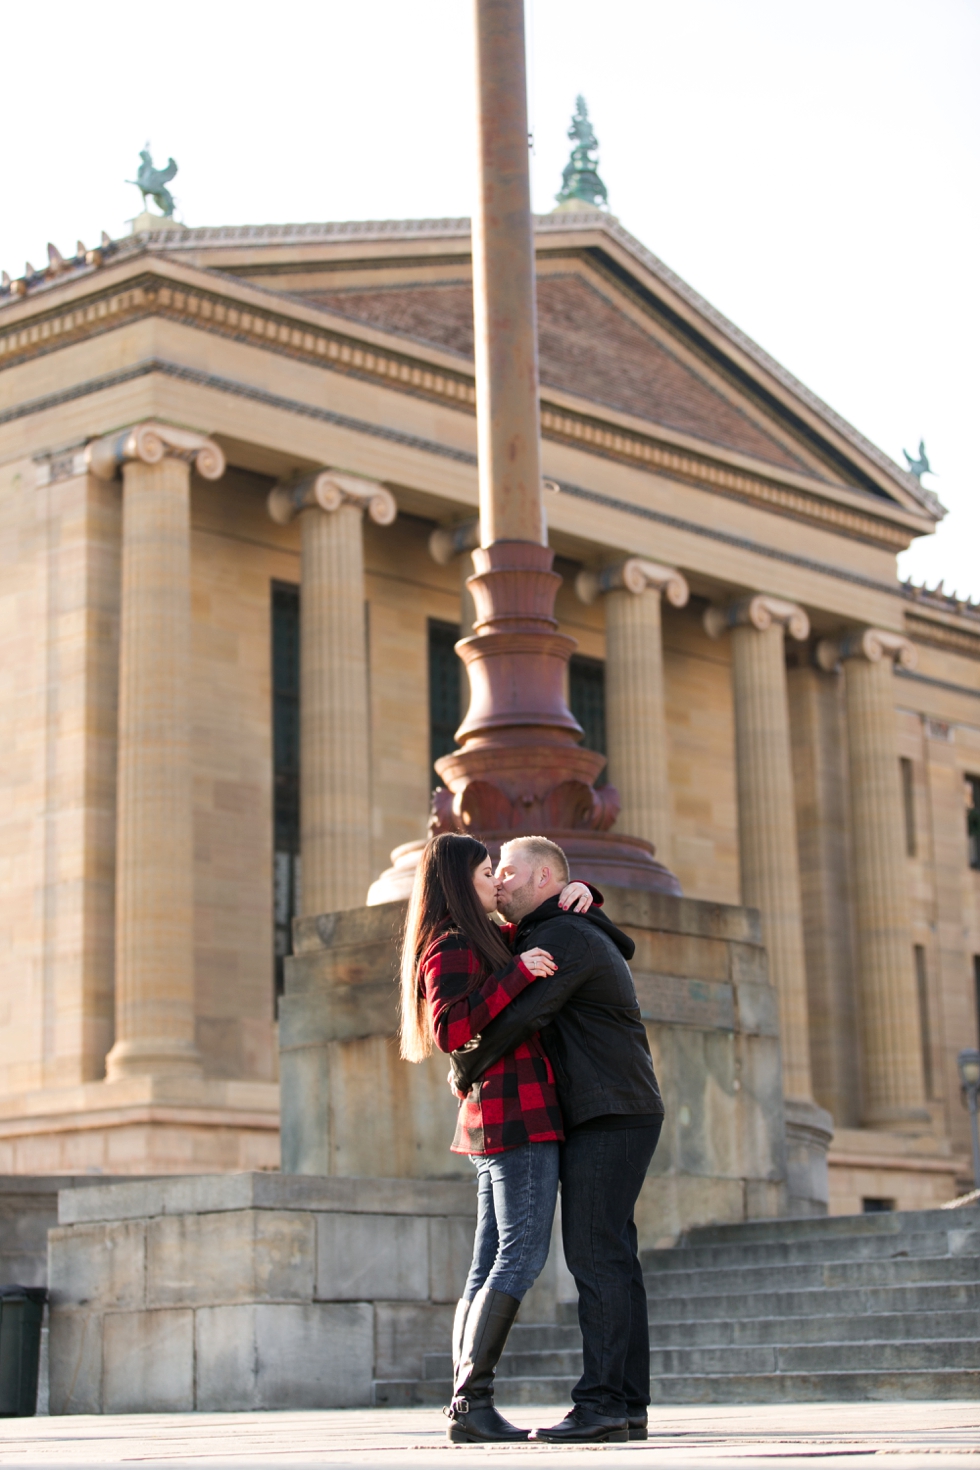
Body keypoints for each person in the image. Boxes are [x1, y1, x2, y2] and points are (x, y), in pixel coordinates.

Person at [450, 835, 664, 1445]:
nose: (498, 884)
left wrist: (464, 1065)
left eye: (508, 872)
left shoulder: (563, 936)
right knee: (613, 1257)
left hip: (608, 1112)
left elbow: (525, 1015)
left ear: (543, 879)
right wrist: (590, 895)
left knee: (596, 1257)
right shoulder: (558, 927)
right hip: (612, 1109)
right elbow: (619, 941)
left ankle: (601, 1405)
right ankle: (626, 1406)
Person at [398, 832, 594, 1444]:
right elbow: (451, 1027)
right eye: (487, 873)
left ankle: (468, 1403)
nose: (497, 882)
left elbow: (542, 924)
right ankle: (471, 1402)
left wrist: (581, 892)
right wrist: (515, 976)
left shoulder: (484, 938)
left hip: (506, 1114)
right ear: (461, 881)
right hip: (516, 1115)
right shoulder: (452, 944)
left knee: (488, 1265)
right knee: (520, 1256)